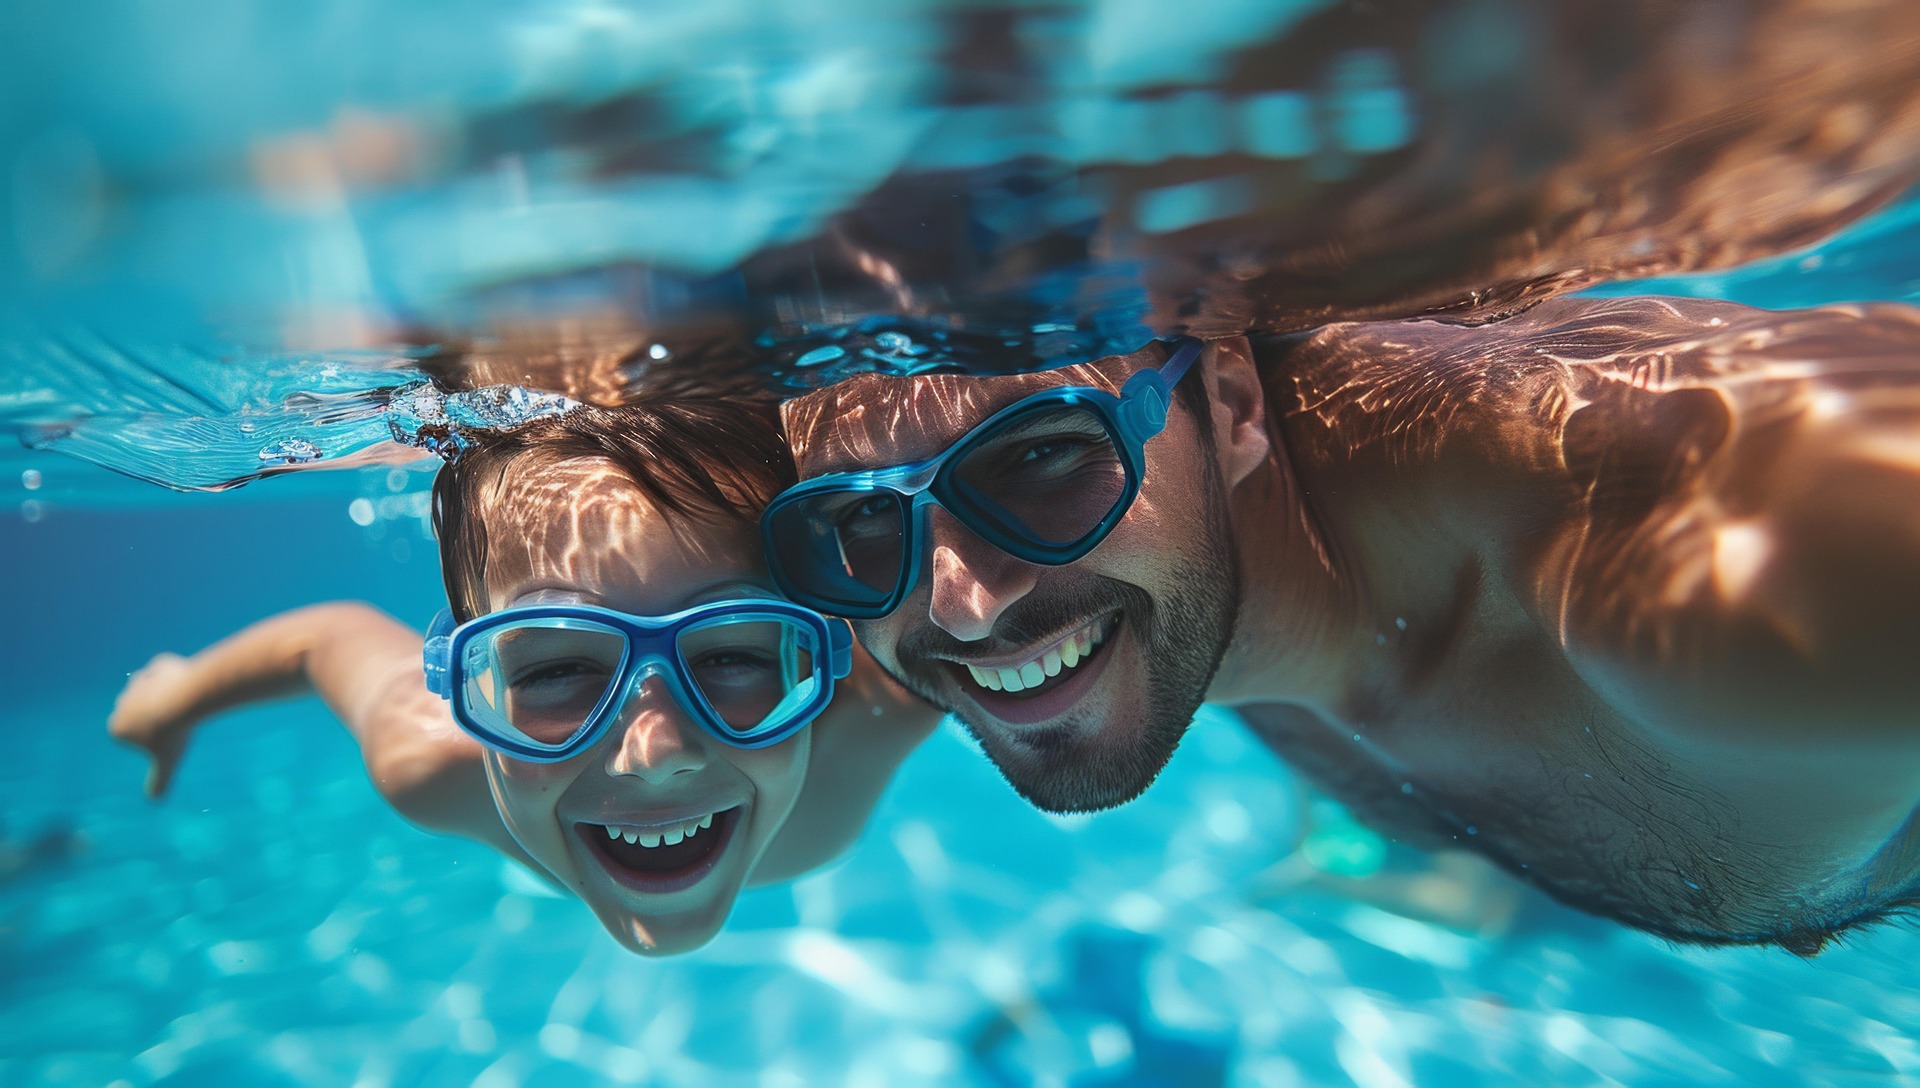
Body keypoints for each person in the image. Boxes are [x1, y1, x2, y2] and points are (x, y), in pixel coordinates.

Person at [770, 294, 1920, 953]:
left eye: (1040, 455)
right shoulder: (941, 594)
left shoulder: (1716, 554)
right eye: (859, 520)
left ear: (1231, 402)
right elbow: (765, 835)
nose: (964, 598)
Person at [110, 396, 938, 956]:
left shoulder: (887, 697)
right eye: (561, 671)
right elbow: (323, 641)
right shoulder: (434, 763)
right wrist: (170, 699)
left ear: (822, 654)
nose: (654, 753)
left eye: (730, 655)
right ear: (464, 682)